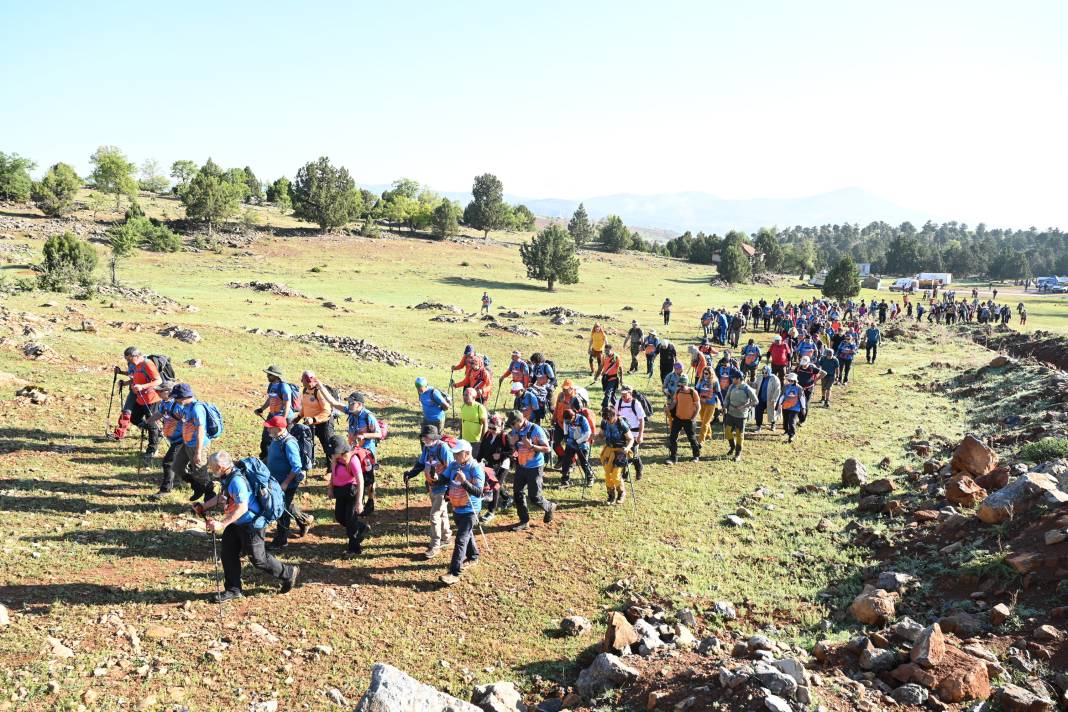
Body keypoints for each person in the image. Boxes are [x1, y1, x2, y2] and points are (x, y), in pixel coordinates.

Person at [197, 451, 299, 603]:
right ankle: (233, 589)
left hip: (251, 524)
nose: (211, 470)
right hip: (237, 522)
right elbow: (223, 497)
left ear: (220, 466)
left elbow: (242, 508)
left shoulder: (237, 481)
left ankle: (288, 573)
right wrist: (204, 507)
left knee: (259, 560)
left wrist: (222, 524)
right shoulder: (228, 477)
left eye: (212, 467)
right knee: (228, 553)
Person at [438, 439, 485, 586]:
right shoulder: (454, 465)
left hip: (470, 510)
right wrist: (434, 477)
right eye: (455, 454)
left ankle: (454, 573)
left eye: (459, 454)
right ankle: (474, 556)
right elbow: (444, 478)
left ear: (467, 453)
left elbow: (478, 492)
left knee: (460, 539)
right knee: (466, 533)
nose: (456, 456)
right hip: (457, 506)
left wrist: (464, 481)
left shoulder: (475, 468)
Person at [402, 424, 454, 559]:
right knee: (441, 512)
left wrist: (448, 489)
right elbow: (420, 464)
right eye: (423, 438)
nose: (424, 440)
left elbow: (451, 469)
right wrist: (410, 474)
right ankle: (447, 536)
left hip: (443, 488)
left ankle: (435, 544)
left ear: (433, 437)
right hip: (431, 486)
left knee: (434, 516)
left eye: (426, 438)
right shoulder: (427, 448)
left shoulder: (443, 449)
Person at [328, 391, 382, 515]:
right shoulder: (351, 412)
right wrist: (319, 385)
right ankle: (358, 503)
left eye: (351, 403)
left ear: (359, 404)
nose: (349, 405)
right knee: (356, 476)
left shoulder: (368, 416)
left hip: (367, 453)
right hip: (354, 450)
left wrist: (365, 435)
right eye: (349, 402)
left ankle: (370, 500)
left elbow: (379, 434)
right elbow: (333, 403)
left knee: (368, 479)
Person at [263, 415, 312, 551]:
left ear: (278, 429)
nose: (267, 429)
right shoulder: (276, 439)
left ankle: (281, 541)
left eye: (270, 427)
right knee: (286, 505)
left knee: (281, 510)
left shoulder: (288, 443)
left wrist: (285, 483)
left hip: (286, 484)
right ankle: (304, 519)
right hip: (275, 482)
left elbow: (296, 467)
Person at [505, 410, 557, 531]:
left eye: (513, 424)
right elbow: (513, 446)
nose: (512, 428)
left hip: (535, 467)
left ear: (519, 421)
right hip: (521, 466)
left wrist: (531, 446)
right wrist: (512, 444)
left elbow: (547, 449)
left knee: (535, 497)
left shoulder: (535, 430)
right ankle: (524, 521)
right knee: (518, 493)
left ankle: (549, 507)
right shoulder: (515, 430)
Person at [112, 347, 163, 464]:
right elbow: (135, 380)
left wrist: (142, 387)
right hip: (140, 399)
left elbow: (158, 381)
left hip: (151, 399)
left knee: (151, 423)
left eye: (129, 359)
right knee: (134, 418)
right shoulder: (136, 366)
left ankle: (152, 449)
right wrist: (125, 383)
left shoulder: (147, 364)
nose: (128, 362)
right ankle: (156, 432)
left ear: (136, 356)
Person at [326, 435, 369, 556]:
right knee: (339, 516)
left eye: (334, 452)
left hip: (352, 492)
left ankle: (354, 548)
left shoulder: (352, 460)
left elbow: (360, 481)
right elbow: (333, 474)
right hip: (340, 492)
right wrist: (330, 488)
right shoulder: (335, 459)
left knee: (350, 520)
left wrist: (359, 502)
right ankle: (360, 527)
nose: (332, 455)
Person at [172, 383, 215, 501]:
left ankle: (210, 497)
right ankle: (197, 487)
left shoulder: (197, 408)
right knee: (177, 467)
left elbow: (201, 430)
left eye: (176, 397)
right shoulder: (185, 406)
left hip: (198, 445)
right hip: (187, 443)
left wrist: (198, 452)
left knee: (201, 472)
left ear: (184, 397)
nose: (175, 400)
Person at [291, 370, 335, 476]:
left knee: (328, 446)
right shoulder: (305, 390)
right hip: (309, 422)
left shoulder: (319, 391)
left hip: (324, 423)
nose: (301, 381)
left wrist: (314, 419)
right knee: (306, 444)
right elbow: (306, 407)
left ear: (307, 380)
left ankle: (331, 470)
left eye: (303, 379)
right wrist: (298, 417)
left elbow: (327, 411)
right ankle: (306, 466)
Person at [478, 413, 513, 523]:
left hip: (503, 465)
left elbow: (514, 452)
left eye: (494, 428)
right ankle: (507, 498)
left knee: (495, 486)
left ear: (501, 426)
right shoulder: (487, 434)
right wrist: (477, 460)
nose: (491, 430)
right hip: (490, 464)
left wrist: (501, 455)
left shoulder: (505, 436)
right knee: (495, 484)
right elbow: (482, 448)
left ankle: (491, 511)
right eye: (490, 427)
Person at [148, 388, 183, 498]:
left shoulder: (178, 406)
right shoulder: (164, 402)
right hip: (176, 439)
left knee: (168, 462)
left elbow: (188, 421)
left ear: (169, 392)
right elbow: (160, 413)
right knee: (191, 465)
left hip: (183, 439)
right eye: (157, 391)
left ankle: (165, 490)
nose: (157, 393)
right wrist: (146, 422)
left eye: (160, 391)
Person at [254, 365, 293, 459]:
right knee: (266, 438)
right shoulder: (271, 385)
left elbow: (287, 404)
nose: (267, 376)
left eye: (270, 375)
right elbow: (270, 398)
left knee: (283, 440)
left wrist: (282, 420)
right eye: (268, 374)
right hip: (272, 415)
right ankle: (264, 459)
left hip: (284, 417)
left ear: (276, 376)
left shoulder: (284, 386)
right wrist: (262, 409)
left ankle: (282, 460)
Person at [721, 370, 757, 461]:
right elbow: (727, 398)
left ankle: (738, 454)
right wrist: (724, 406)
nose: (732, 379)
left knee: (739, 434)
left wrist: (744, 406)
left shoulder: (747, 388)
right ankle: (732, 446)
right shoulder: (732, 386)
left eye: (734, 378)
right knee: (727, 431)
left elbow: (755, 401)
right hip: (731, 413)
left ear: (739, 379)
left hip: (741, 416)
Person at [600, 408, 633, 504]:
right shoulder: (605, 422)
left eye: (608, 418)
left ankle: (621, 493)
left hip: (620, 452)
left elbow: (631, 439)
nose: (607, 421)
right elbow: (601, 435)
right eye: (605, 418)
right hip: (609, 451)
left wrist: (627, 448)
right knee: (607, 475)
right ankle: (611, 495)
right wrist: (593, 436)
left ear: (614, 416)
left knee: (616, 475)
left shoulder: (621, 424)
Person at [666, 376, 701, 464]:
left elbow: (698, 406)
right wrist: (669, 408)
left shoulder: (693, 392)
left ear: (686, 384)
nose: (679, 387)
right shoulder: (678, 391)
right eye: (679, 385)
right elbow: (674, 402)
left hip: (689, 420)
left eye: (681, 385)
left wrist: (693, 417)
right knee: (672, 438)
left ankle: (696, 456)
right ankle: (673, 457)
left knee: (692, 438)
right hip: (678, 418)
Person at [614, 387, 646, 480]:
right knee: (623, 453)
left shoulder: (636, 404)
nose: (623, 396)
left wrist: (640, 435)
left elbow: (641, 420)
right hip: (622, 433)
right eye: (622, 394)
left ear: (630, 393)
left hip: (634, 433)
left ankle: (639, 469)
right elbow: (615, 416)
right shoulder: (618, 402)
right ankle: (625, 474)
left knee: (633, 454)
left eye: (625, 394)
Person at [559, 408, 595, 488]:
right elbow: (565, 424)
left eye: (569, 420)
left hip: (582, 445)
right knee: (566, 462)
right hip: (571, 443)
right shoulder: (567, 419)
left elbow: (588, 432)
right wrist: (565, 434)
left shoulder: (582, 419)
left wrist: (578, 441)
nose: (568, 422)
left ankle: (590, 477)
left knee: (584, 463)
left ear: (573, 416)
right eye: (566, 420)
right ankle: (565, 481)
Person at [459, 388, 488, 457]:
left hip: (476, 441)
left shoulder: (480, 408)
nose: (464, 397)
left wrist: (482, 439)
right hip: (465, 439)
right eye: (464, 395)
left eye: (467, 395)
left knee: (474, 459)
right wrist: (460, 434)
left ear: (474, 397)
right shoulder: (463, 406)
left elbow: (485, 424)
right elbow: (461, 420)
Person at [778, 373, 806, 444]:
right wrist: (779, 404)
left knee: (792, 421)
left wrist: (803, 407)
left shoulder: (799, 388)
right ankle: (786, 430)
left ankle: (791, 435)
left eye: (792, 381)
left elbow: (802, 398)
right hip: (786, 406)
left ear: (795, 381)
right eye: (789, 380)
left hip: (795, 407)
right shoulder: (785, 386)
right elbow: (782, 396)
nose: (790, 382)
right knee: (786, 420)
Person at [695, 368, 720, 444]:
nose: (705, 375)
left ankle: (701, 441)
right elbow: (696, 389)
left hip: (711, 404)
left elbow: (719, 393)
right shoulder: (701, 380)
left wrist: (723, 404)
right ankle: (709, 435)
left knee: (705, 423)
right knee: (703, 420)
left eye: (707, 373)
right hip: (701, 403)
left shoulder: (715, 382)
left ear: (711, 374)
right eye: (704, 373)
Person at [753, 365, 781, 432]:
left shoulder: (774, 378)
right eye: (763, 372)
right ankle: (758, 426)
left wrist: (774, 400)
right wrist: (751, 384)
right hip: (760, 398)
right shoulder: (760, 377)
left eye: (766, 373)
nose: (764, 374)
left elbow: (777, 390)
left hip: (770, 399)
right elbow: (756, 385)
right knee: (758, 412)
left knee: (772, 412)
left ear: (769, 372)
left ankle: (773, 425)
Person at [600, 344, 622, 409]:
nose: (606, 352)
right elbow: (601, 366)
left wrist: (621, 379)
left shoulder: (616, 357)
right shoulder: (604, 356)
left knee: (607, 392)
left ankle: (604, 408)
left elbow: (620, 368)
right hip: (605, 378)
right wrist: (597, 375)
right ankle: (618, 407)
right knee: (611, 396)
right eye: (605, 350)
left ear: (611, 350)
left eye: (607, 350)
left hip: (613, 378)